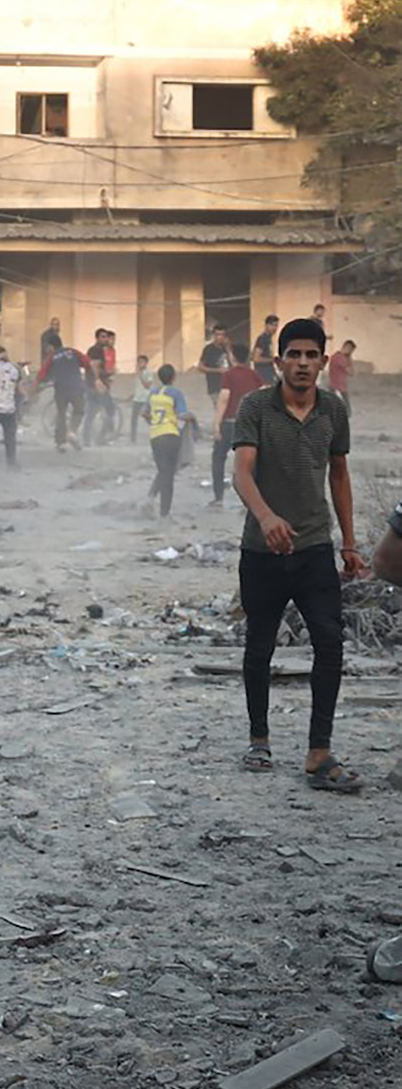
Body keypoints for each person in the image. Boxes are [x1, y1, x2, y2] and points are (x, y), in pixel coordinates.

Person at [231, 317, 365, 792]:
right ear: (279, 361)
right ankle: (259, 739)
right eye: (295, 355)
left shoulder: (334, 409)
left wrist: (348, 542)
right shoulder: (256, 407)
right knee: (260, 646)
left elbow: (340, 476)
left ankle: (318, 751)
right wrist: (267, 518)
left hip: (314, 549)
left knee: (330, 644)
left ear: (323, 362)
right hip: (261, 552)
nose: (303, 363)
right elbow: (242, 473)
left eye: (312, 355)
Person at [209, 341, 265, 509]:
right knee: (249, 465)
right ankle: (251, 502)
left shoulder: (229, 375)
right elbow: (263, 395)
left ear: (232, 356)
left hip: (229, 423)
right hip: (249, 425)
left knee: (218, 459)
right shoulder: (254, 375)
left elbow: (224, 398)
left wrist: (216, 424)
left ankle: (219, 499)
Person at [143, 364, 191, 518]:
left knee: (163, 470)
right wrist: (192, 418)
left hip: (155, 435)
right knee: (169, 474)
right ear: (173, 377)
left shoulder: (153, 393)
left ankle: (150, 497)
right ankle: (165, 513)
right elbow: (182, 414)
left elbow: (144, 413)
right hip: (170, 435)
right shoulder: (176, 393)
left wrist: (154, 422)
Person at [38, 337, 89, 451]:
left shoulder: (51, 357)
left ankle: (60, 442)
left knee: (61, 413)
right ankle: (72, 432)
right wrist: (94, 379)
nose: (46, 350)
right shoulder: (73, 352)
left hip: (60, 388)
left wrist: (35, 389)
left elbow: (42, 375)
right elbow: (87, 362)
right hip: (76, 387)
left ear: (52, 346)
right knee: (79, 410)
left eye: (47, 347)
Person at [81, 329, 118, 446]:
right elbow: (94, 366)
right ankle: (100, 437)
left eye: (106, 337)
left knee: (91, 412)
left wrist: (107, 373)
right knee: (110, 409)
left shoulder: (98, 350)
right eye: (103, 337)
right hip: (96, 386)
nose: (106, 339)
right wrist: (98, 380)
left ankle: (87, 439)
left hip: (93, 385)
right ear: (97, 338)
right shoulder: (96, 350)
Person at [198, 323, 231, 407]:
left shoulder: (228, 348)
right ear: (214, 335)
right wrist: (217, 370)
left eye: (222, 335)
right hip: (215, 385)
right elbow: (200, 367)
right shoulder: (209, 349)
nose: (220, 337)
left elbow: (235, 363)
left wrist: (228, 349)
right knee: (219, 409)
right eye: (217, 335)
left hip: (229, 386)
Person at [128, 354, 155, 442]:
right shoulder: (138, 373)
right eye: (138, 362)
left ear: (146, 363)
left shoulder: (148, 373)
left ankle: (156, 431)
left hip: (145, 399)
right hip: (137, 398)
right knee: (133, 419)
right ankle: (133, 438)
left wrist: (141, 376)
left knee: (147, 417)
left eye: (142, 362)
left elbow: (147, 385)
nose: (139, 364)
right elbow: (138, 387)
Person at [328, 339, 356, 410]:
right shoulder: (341, 358)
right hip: (339, 388)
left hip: (333, 386)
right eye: (351, 351)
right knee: (346, 410)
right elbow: (351, 372)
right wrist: (349, 358)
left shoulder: (335, 356)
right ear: (348, 348)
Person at [253, 315, 280, 384]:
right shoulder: (262, 339)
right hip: (263, 374)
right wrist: (273, 360)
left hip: (269, 372)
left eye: (276, 325)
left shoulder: (269, 339)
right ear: (266, 325)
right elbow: (256, 358)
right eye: (272, 325)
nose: (275, 328)